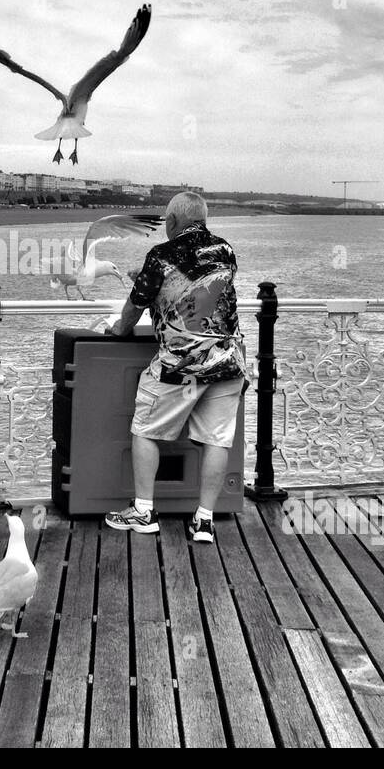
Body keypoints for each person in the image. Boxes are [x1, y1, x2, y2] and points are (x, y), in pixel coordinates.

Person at [102, 192, 248, 543]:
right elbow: (197, 286)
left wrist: (119, 329)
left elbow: (136, 306)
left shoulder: (161, 256)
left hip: (180, 368)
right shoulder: (225, 250)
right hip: (228, 363)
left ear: (170, 222)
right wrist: (149, 277)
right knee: (216, 440)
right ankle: (204, 521)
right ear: (204, 220)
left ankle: (143, 511)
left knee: (145, 430)